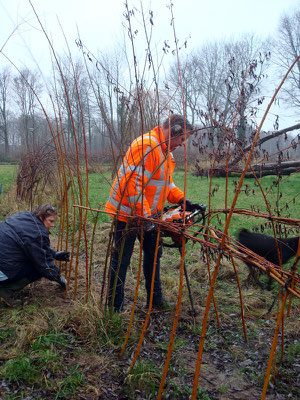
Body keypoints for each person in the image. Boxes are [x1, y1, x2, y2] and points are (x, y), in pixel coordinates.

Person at [105, 114, 200, 312]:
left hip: (150, 215)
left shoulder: (166, 152)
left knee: (154, 255)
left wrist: (182, 199)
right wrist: (145, 216)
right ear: (172, 130)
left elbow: (166, 184)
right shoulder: (147, 145)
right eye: (182, 139)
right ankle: (114, 307)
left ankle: (155, 299)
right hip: (130, 214)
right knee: (122, 259)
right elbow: (133, 183)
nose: (182, 144)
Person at [0, 204, 69, 306]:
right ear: (41, 217)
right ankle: (5, 291)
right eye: (51, 221)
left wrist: (54, 253)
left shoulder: (24, 216)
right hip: (3, 269)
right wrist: (59, 278)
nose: (53, 225)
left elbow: (30, 243)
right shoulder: (39, 233)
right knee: (38, 268)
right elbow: (45, 265)